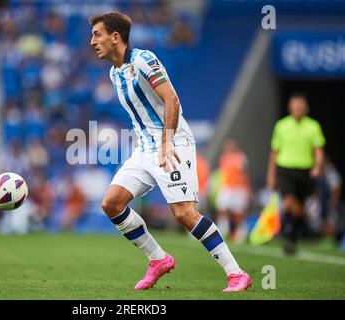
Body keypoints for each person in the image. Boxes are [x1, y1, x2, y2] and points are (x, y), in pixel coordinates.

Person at [90, 12, 251, 292]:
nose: (92, 41)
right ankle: (158, 259)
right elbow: (139, 112)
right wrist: (144, 143)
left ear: (115, 37)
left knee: (184, 213)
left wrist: (166, 141)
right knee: (112, 203)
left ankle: (237, 274)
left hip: (173, 144)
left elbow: (171, 99)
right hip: (145, 149)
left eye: (97, 34)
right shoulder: (114, 73)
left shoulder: (143, 60)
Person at [267, 92, 326, 255]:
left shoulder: (313, 126)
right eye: (295, 105)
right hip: (285, 169)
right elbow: (274, 152)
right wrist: (271, 175)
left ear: (305, 108)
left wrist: (317, 166)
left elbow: (318, 150)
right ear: (290, 107)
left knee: (298, 207)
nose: (298, 108)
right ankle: (288, 236)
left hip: (305, 171)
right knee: (288, 202)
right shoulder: (281, 126)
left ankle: (293, 236)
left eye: (300, 106)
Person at [216, 138, 251, 243]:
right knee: (222, 209)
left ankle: (241, 232)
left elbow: (245, 173)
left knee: (238, 212)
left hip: (238, 188)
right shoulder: (224, 157)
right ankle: (223, 230)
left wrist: (246, 188)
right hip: (226, 187)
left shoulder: (241, 157)